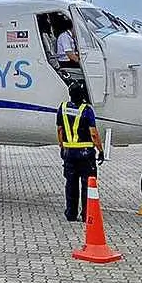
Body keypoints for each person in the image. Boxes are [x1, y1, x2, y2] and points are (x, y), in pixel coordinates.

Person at [56, 81, 103, 222]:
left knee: (71, 184)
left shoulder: (62, 108)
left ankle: (71, 213)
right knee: (87, 184)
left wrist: (62, 147)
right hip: (85, 154)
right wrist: (100, 150)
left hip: (69, 153)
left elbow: (59, 130)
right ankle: (86, 214)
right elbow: (93, 133)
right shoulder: (87, 110)